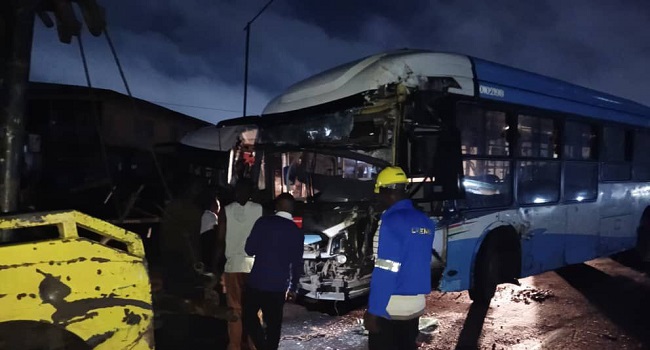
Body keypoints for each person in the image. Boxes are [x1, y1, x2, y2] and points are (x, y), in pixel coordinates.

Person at [363, 166, 436, 350]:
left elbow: (386, 269)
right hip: (416, 304)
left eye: (379, 193)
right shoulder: (425, 221)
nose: (378, 198)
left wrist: (374, 310)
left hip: (391, 306)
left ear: (389, 192)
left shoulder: (390, 221)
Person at [243, 193, 303, 350]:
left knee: (248, 316)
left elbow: (249, 250)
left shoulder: (263, 222)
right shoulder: (296, 232)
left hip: (257, 281)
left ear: (277, 206)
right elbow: (296, 263)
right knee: (274, 326)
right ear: (292, 209)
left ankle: (261, 345)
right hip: (278, 286)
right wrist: (293, 287)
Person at [218, 179, 263, 350]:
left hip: (233, 266)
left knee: (235, 310)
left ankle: (235, 346)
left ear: (235, 193)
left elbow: (220, 241)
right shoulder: (259, 210)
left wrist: (216, 266)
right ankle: (254, 345)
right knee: (255, 310)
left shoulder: (226, 211)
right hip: (254, 266)